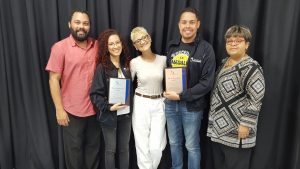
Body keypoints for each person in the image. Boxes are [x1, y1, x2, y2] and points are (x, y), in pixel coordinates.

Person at [46, 10, 101, 169]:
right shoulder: (59, 47)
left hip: (95, 110)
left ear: (89, 26)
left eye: (85, 23)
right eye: (77, 22)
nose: (81, 26)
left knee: (93, 150)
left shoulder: (97, 45)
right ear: (70, 24)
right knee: (74, 154)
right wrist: (59, 110)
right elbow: (53, 79)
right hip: (71, 111)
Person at [164, 7, 216, 169]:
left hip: (192, 107)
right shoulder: (172, 46)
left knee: (192, 146)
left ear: (198, 24)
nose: (188, 26)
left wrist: (181, 96)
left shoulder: (206, 49)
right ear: (179, 25)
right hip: (171, 105)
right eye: (184, 22)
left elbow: (207, 83)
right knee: (174, 143)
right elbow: (167, 73)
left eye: (192, 22)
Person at [207, 25, 265, 169]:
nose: (233, 43)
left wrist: (245, 124)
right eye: (229, 41)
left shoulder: (252, 67)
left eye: (238, 41)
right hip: (218, 130)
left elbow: (256, 99)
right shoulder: (223, 63)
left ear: (246, 45)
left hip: (237, 131)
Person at [90, 29, 132, 169]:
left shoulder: (128, 65)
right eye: (111, 44)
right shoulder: (102, 68)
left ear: (122, 43)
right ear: (106, 47)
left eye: (117, 42)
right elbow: (95, 94)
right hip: (109, 115)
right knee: (110, 150)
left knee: (124, 149)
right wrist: (109, 107)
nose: (115, 46)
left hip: (126, 115)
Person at [130, 27, 167, 169]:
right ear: (135, 45)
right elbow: (127, 85)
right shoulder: (134, 62)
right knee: (141, 146)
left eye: (144, 37)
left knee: (156, 147)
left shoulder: (163, 60)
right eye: (137, 40)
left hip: (159, 103)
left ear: (149, 38)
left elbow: (171, 80)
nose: (142, 41)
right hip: (141, 103)